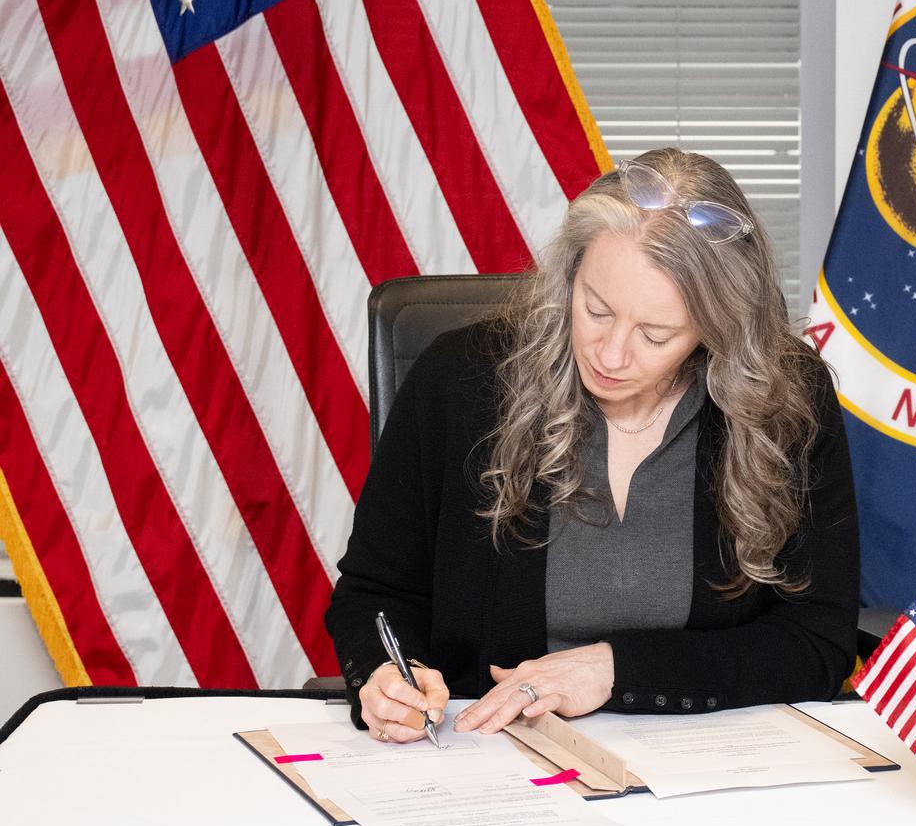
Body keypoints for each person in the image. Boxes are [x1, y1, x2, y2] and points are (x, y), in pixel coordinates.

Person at [326, 149, 859, 744]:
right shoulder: (459, 380)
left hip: (703, 762)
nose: (610, 355)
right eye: (596, 310)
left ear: (718, 328)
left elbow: (818, 639)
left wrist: (616, 669)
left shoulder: (786, 400)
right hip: (490, 760)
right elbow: (375, 595)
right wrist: (385, 679)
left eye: (656, 335)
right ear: (570, 276)